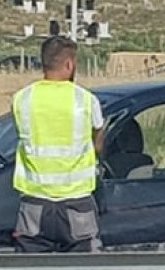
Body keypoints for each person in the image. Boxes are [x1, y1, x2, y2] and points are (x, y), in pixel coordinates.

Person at [11, 36, 106, 253]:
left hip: (34, 203)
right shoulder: (86, 100)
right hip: (76, 202)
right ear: (69, 64)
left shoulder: (22, 99)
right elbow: (98, 142)